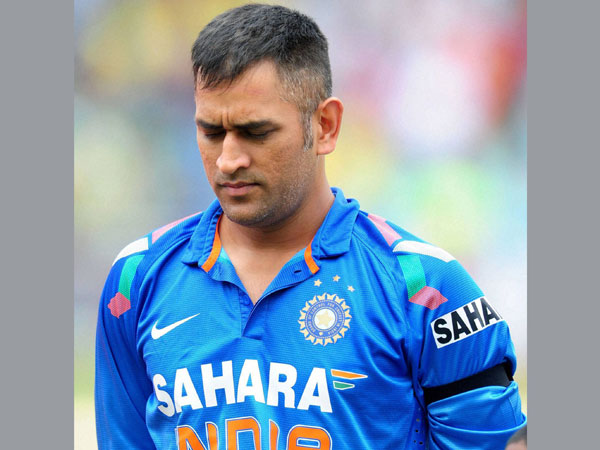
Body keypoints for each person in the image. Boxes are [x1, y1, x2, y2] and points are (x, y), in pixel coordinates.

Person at [95, 4, 526, 449]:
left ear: (325, 126)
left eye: (256, 132)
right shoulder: (135, 280)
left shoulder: (427, 289)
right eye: (211, 132)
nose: (228, 160)